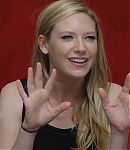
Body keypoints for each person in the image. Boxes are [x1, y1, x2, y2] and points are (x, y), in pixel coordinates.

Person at [0, 0, 129, 149]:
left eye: (89, 37)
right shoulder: (15, 96)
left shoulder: (111, 97)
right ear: (44, 44)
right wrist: (29, 129)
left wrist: (120, 132)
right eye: (67, 37)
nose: (81, 47)